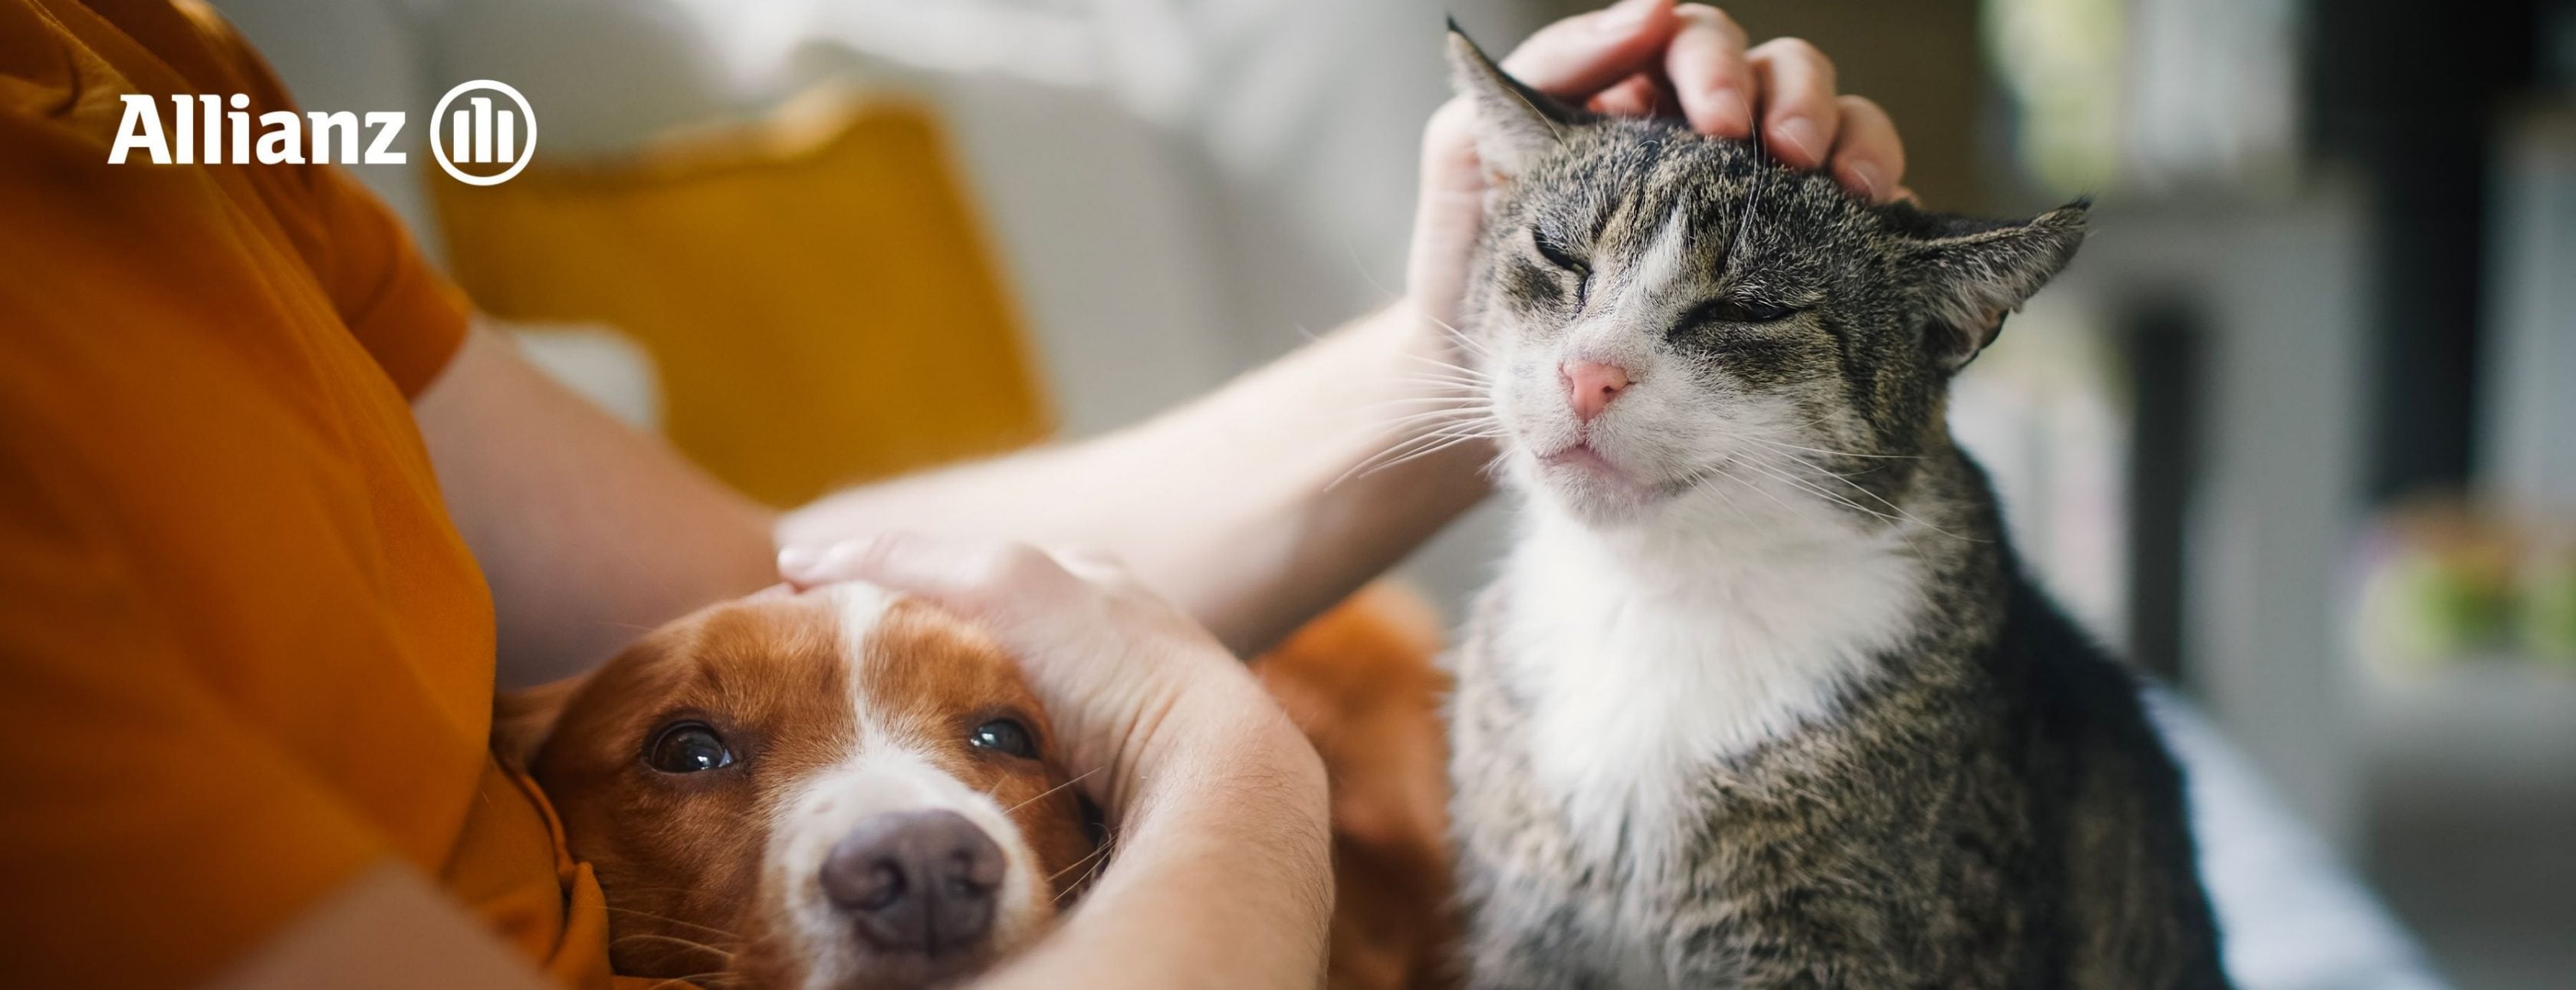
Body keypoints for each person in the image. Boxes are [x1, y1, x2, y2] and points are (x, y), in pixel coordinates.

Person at [0, 0, 1907, 986]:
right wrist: (1222, 764)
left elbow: (767, 595)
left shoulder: (145, 74)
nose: (914, 842)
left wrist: (1454, 351)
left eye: (1007, 740)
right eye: (686, 756)